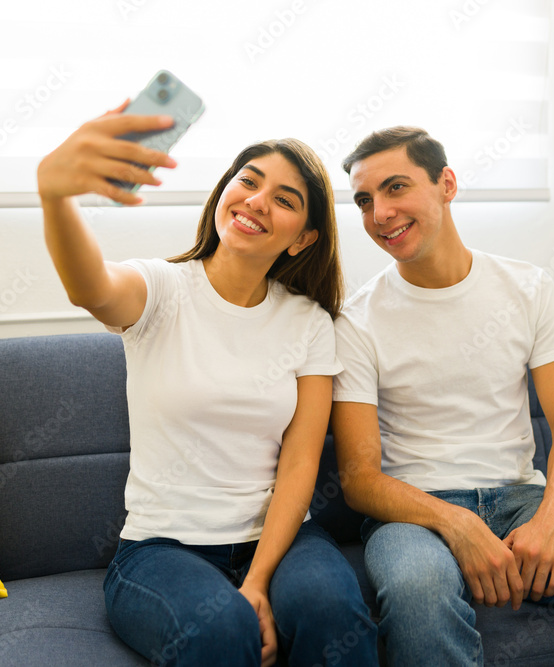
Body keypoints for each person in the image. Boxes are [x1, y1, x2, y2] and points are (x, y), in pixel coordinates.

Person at [331, 126, 554, 666]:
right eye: (365, 200)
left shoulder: (528, 288)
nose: (379, 213)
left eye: (396, 188)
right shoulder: (357, 320)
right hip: (414, 516)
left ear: (446, 183)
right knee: (418, 593)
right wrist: (458, 524)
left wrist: (553, 518)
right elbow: (360, 480)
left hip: (521, 498)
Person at [36, 102, 378, 667]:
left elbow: (300, 464)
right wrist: (56, 196)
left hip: (280, 539)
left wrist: (260, 581)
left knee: (332, 614)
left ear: (304, 239)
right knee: (219, 632)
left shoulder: (310, 323)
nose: (257, 201)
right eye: (249, 181)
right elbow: (89, 286)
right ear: (224, 192)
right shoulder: (159, 290)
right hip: (161, 548)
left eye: (285, 200)